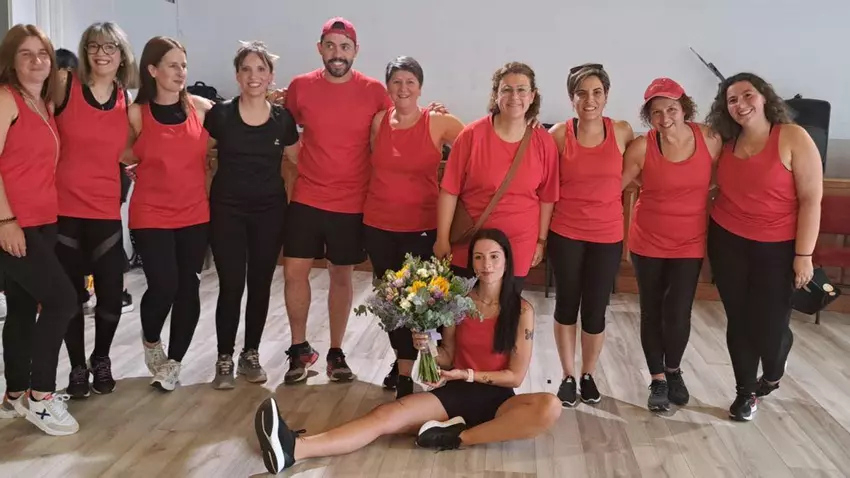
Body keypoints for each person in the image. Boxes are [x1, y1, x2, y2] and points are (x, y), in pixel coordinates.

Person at [254, 228, 561, 474]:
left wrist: (467, 374)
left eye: (494, 257)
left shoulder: (522, 310)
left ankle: (458, 437)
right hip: (455, 393)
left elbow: (514, 377)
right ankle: (295, 448)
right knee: (384, 416)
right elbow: (447, 356)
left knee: (550, 406)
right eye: (479, 257)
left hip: (497, 400)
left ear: (506, 261)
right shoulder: (459, 303)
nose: (487, 265)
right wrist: (427, 348)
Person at [277, 17, 393, 385]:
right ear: (320, 49)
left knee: (341, 276)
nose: (337, 53)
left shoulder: (375, 92)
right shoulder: (300, 87)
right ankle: (299, 349)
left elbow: (400, 123)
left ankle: (336, 352)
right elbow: (282, 124)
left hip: (351, 202)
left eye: (344, 47)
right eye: (330, 46)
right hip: (307, 198)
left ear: (355, 51)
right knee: (294, 273)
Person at [705, 72, 822, 422]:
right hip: (728, 242)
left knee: (770, 330)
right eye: (732, 100)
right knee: (739, 320)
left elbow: (811, 200)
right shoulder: (725, 143)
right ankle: (745, 392)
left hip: (778, 249)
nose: (740, 104)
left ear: (765, 97)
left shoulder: (792, 137)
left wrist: (804, 255)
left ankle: (772, 372)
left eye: (747, 95)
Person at [364, 56, 464, 399]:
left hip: (422, 226)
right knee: (392, 302)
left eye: (410, 82)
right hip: (378, 224)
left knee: (422, 301)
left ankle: (430, 363)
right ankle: (404, 368)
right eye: (396, 82)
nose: (403, 88)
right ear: (387, 87)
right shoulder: (379, 121)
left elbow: (476, 146)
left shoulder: (438, 122)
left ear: (420, 87)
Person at [621, 78, 722, 412]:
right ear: (648, 116)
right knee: (652, 310)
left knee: (678, 311)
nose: (664, 118)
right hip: (647, 240)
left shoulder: (709, 138)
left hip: (690, 242)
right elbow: (615, 184)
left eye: (671, 109)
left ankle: (674, 370)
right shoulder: (641, 147)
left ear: (684, 108)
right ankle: (658, 379)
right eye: (656, 112)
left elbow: (725, 175)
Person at [206, 41, 300, 390]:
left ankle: (250, 353)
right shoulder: (221, 115)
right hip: (227, 212)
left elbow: (299, 161)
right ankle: (224, 357)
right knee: (231, 286)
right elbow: (198, 155)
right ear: (237, 75)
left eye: (260, 69)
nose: (253, 76)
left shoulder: (282, 119)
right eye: (246, 69)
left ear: (271, 76)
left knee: (260, 285)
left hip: (269, 213)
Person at [0, 24, 79, 436]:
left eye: (43, 53)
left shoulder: (41, 103)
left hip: (43, 220)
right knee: (62, 301)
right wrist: (5, 221)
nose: (36, 61)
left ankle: (14, 394)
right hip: (16, 224)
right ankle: (41, 397)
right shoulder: (5, 99)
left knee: (21, 307)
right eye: (26, 53)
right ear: (11, 60)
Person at [53, 21, 139, 399]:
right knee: (71, 296)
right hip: (63, 209)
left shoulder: (126, 100)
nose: (101, 53)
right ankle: (76, 366)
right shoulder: (64, 85)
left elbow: (133, 148)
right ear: (85, 51)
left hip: (105, 210)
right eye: (93, 46)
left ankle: (100, 358)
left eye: (110, 47)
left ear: (122, 55)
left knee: (111, 295)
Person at [126, 36, 213, 392]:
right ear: (152, 69)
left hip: (194, 212)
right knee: (164, 285)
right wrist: (131, 165)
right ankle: (151, 341)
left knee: (188, 285)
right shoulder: (136, 114)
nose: (181, 72)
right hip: (151, 212)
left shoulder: (201, 108)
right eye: (173, 65)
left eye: (184, 65)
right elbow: (117, 151)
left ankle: (174, 362)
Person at [547, 63, 634, 407]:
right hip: (565, 232)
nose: (590, 100)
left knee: (596, 309)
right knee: (567, 304)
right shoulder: (559, 134)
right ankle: (568, 375)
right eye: (582, 93)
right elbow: (542, 180)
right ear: (572, 98)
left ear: (606, 96)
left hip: (607, 235)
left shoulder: (622, 131)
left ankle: (588, 374)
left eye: (597, 92)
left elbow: (644, 162)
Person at [434, 61, 559, 289]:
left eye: (522, 90)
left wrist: (541, 241)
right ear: (496, 94)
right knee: (464, 307)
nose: (514, 96)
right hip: (471, 244)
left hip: (518, 246)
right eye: (506, 89)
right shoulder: (472, 135)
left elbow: (547, 197)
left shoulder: (543, 141)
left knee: (508, 307)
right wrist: (442, 238)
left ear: (532, 96)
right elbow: (449, 190)